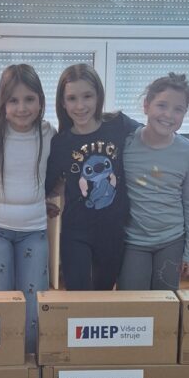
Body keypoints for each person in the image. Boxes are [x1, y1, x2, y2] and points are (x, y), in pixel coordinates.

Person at [0, 64, 56, 353]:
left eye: (29, 99)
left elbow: (53, 175)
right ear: (3, 103)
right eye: (13, 100)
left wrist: (48, 199)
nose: (22, 108)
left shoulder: (49, 133)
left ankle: (30, 364)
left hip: (34, 229)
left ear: (40, 101)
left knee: (34, 306)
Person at [45, 63, 138, 290]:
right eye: (72, 98)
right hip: (76, 231)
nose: (80, 106)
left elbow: (151, 138)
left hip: (113, 230)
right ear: (62, 102)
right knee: (77, 295)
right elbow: (46, 183)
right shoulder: (60, 142)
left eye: (87, 96)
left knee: (103, 294)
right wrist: (44, 201)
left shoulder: (119, 124)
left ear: (98, 96)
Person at [118, 72, 189, 291]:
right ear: (146, 106)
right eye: (162, 105)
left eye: (178, 109)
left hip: (171, 240)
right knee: (132, 304)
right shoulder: (126, 144)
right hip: (133, 241)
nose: (169, 115)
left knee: (166, 304)